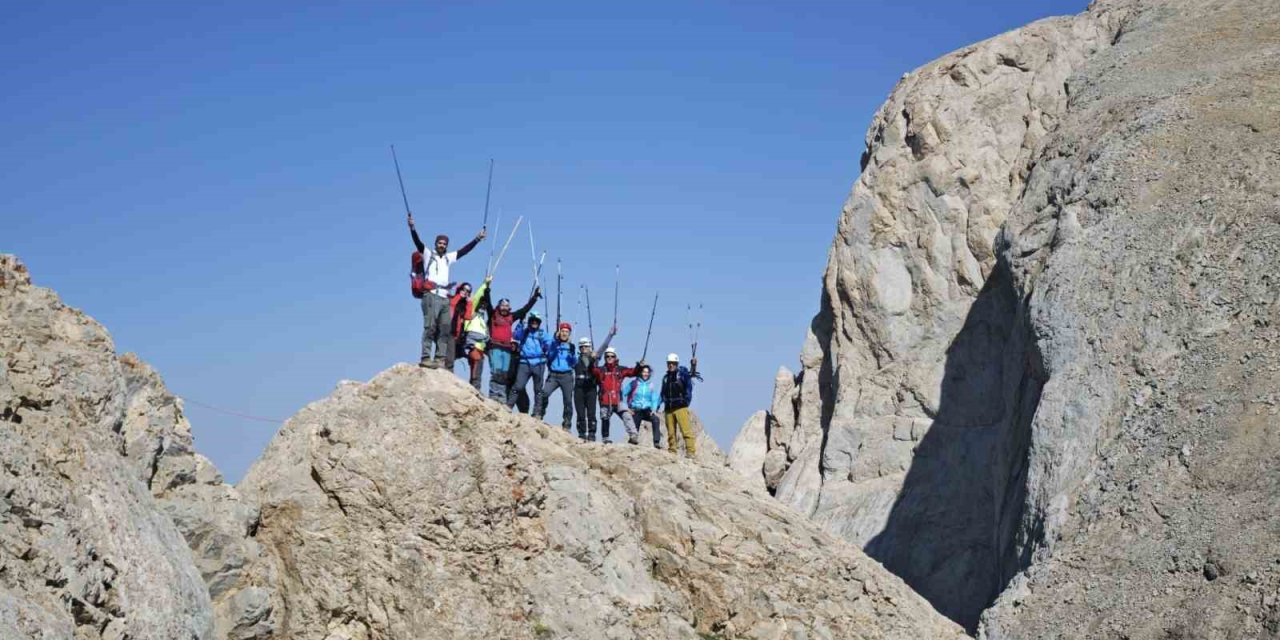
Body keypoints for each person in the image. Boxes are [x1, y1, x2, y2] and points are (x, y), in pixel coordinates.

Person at [410, 213, 485, 368]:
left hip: (445, 297)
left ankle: (439, 358)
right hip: (431, 295)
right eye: (440, 243)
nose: (442, 245)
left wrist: (477, 239)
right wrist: (412, 228)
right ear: (436, 244)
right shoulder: (428, 254)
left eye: (444, 243)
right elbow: (418, 242)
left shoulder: (448, 258)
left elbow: (464, 251)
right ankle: (425, 357)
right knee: (430, 327)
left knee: (445, 328)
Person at [480, 285, 541, 402]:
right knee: (496, 372)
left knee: (504, 374)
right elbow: (488, 302)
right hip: (495, 346)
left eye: (507, 306)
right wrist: (487, 290)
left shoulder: (511, 317)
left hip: (507, 348)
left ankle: (501, 396)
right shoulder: (493, 314)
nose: (504, 307)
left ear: (509, 308)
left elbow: (524, 309)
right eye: (502, 305)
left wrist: (535, 297)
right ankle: (494, 395)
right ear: (499, 306)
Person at [572, 326, 617, 442]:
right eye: (582, 347)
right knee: (580, 413)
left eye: (586, 346)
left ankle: (592, 434)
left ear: (590, 347)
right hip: (579, 388)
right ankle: (582, 434)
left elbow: (604, 347)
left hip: (591, 388)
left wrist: (610, 335)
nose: (584, 349)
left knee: (591, 413)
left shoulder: (595, 357)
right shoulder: (575, 359)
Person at [508, 311, 552, 413]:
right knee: (518, 386)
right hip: (525, 362)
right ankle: (509, 406)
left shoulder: (542, 333)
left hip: (539, 363)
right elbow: (515, 336)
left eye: (536, 321)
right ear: (529, 321)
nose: (534, 323)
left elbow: (549, 343)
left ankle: (537, 412)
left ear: (539, 322)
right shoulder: (524, 332)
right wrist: (520, 323)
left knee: (538, 390)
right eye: (532, 320)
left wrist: (547, 347)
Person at [594, 346, 639, 444]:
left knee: (627, 415)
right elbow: (592, 371)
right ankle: (605, 438)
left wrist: (639, 366)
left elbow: (633, 372)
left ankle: (633, 436)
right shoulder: (601, 370)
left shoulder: (620, 369)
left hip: (618, 400)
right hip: (605, 400)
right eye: (607, 356)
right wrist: (593, 360)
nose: (609, 358)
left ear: (615, 357)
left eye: (612, 356)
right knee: (605, 418)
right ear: (605, 358)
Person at [537, 322, 578, 429]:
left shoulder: (571, 346)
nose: (564, 334)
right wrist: (555, 345)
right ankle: (539, 414)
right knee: (544, 393)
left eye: (567, 332)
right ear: (559, 332)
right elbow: (549, 356)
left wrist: (572, 354)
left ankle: (567, 423)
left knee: (568, 400)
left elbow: (574, 363)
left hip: (567, 376)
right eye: (563, 331)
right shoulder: (554, 344)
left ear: (569, 334)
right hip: (554, 375)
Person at [454, 277, 492, 390]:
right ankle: (474, 388)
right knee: (475, 365)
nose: (483, 307)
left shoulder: (482, 320)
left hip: (481, 347)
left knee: (477, 369)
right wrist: (485, 284)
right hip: (472, 345)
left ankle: (475, 389)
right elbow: (477, 297)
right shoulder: (472, 312)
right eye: (481, 305)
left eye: (484, 306)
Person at [660, 353, 700, 458]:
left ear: (677, 364)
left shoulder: (682, 374)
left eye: (673, 363)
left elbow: (689, 381)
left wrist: (693, 365)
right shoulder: (665, 378)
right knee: (671, 433)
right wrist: (660, 404)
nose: (671, 365)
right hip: (669, 408)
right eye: (669, 363)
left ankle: (690, 452)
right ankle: (672, 451)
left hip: (680, 407)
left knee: (686, 430)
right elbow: (662, 392)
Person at [622, 365, 663, 448]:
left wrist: (654, 409)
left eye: (647, 372)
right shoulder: (634, 383)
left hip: (647, 410)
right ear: (640, 372)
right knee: (634, 428)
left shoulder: (650, 385)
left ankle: (656, 442)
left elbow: (654, 398)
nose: (645, 374)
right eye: (644, 372)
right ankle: (632, 442)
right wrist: (626, 408)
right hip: (636, 409)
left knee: (656, 419)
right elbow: (623, 394)